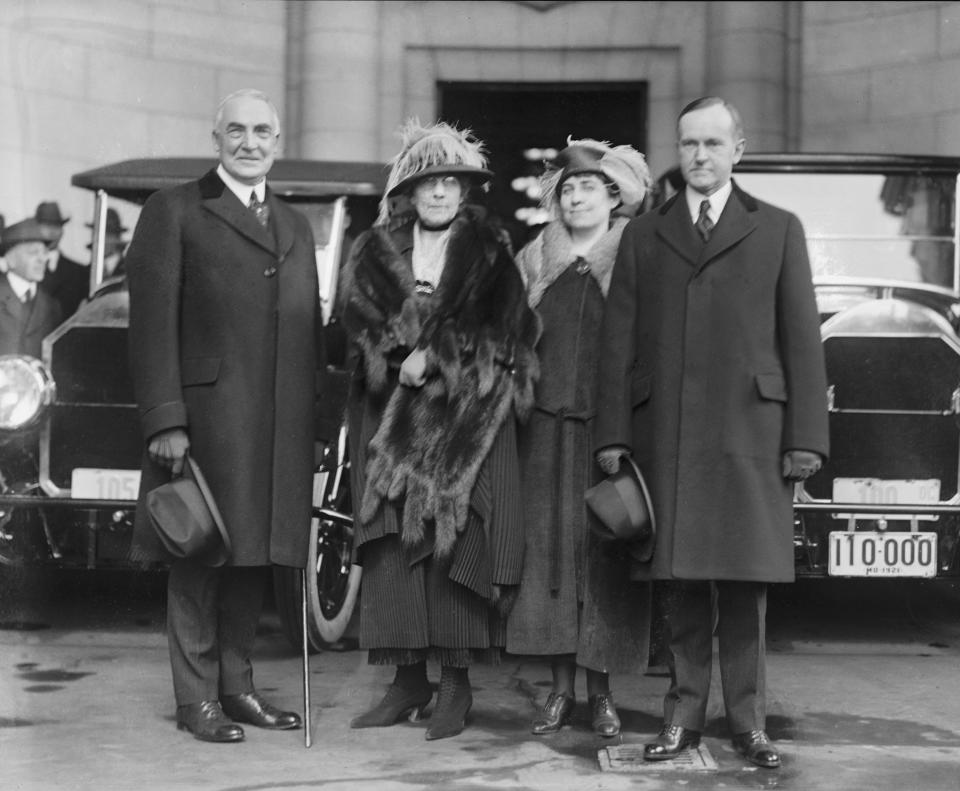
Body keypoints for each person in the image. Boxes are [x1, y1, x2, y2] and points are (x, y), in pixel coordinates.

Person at [594, 97, 829, 769]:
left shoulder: (779, 228)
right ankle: (684, 715)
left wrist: (805, 437)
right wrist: (612, 434)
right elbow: (619, 345)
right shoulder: (644, 234)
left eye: (713, 143)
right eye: (689, 143)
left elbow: (801, 341)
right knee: (684, 582)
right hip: (666, 432)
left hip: (752, 431)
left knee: (746, 584)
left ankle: (749, 722)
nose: (699, 155)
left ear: (738, 149)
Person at [125, 89, 319, 744]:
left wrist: (312, 428)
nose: (249, 141)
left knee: (254, 560)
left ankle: (238, 689)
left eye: (262, 130)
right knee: (198, 553)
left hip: (276, 428)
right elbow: (151, 326)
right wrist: (164, 419)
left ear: (279, 139)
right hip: (206, 421)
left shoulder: (294, 226)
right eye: (235, 130)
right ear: (216, 138)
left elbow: (308, 334)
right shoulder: (174, 210)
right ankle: (195, 697)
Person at [342, 119, 540, 741]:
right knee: (394, 546)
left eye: (451, 182)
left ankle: (455, 686)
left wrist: (442, 354)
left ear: (465, 192)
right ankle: (406, 684)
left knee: (457, 540)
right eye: (429, 182)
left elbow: (510, 332)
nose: (439, 193)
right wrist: (398, 356)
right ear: (409, 189)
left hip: (464, 423)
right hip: (391, 419)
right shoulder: (372, 248)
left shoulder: (490, 250)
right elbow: (354, 324)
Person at [506, 139, 653, 738]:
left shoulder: (634, 261)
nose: (576, 196)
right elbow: (508, 343)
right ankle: (560, 693)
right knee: (548, 564)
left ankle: (604, 696)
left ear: (614, 197)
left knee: (606, 564)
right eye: (566, 189)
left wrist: (627, 431)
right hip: (541, 436)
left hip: (608, 440)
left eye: (588, 187)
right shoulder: (534, 259)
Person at [0, 218, 62, 357]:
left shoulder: (52, 306)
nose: (42, 259)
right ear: (11, 260)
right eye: (33, 252)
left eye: (45, 252)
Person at [36, 201, 89, 319]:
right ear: (36, 229)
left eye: (56, 226)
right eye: (46, 225)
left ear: (62, 231)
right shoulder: (25, 267)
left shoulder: (80, 272)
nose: (51, 232)